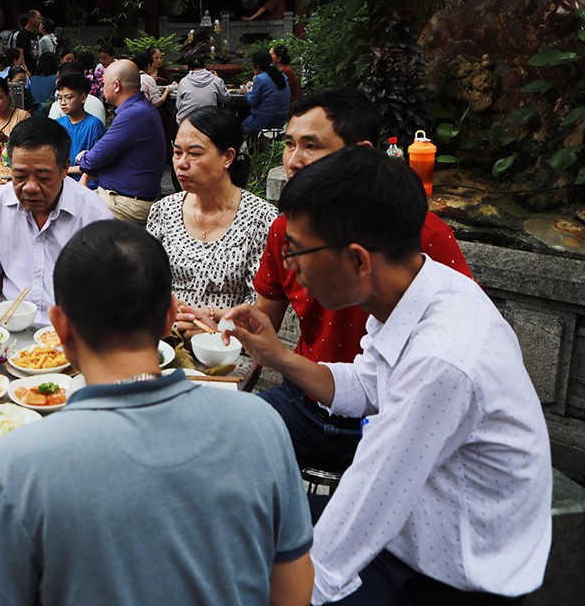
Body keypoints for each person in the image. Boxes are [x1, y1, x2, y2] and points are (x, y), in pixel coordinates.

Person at [222, 147, 551, 605]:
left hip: (448, 571)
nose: (289, 264)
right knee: (236, 519)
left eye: (296, 249)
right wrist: (277, 355)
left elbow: (368, 504)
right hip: (415, 524)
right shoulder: (420, 286)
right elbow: (367, 384)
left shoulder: (442, 360)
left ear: (358, 260)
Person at [0, 220, 314, 606]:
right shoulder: (260, 425)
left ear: (60, 326)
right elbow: (294, 589)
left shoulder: (17, 463)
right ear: (169, 316)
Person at [242, 88, 472, 470]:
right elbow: (265, 324)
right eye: (288, 144)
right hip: (306, 402)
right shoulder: (285, 229)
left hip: (387, 420)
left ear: (360, 260)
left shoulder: (422, 241)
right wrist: (221, 332)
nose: (293, 162)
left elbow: (380, 392)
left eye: (311, 146)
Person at [0, 118, 112, 324]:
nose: (30, 187)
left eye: (43, 177)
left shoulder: (94, 214)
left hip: (71, 333)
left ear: (64, 169)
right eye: (19, 176)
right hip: (10, 328)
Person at [147, 107, 277, 327]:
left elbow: (260, 306)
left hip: (232, 343)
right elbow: (148, 284)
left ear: (227, 157)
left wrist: (211, 322)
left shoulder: (261, 218)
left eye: (195, 154)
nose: (181, 163)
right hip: (169, 336)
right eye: (177, 153)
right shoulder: (163, 210)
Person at [79, 59, 166, 224]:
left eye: (104, 83)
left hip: (124, 204)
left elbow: (92, 159)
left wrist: (81, 157)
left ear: (116, 86)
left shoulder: (132, 115)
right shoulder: (141, 109)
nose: (102, 88)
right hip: (125, 197)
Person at [54, 72, 106, 184]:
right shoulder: (57, 124)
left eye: (68, 97)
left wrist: (61, 171)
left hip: (86, 184)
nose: (63, 103)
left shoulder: (94, 126)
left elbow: (97, 164)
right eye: (60, 98)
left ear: (83, 98)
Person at [242, 50, 291, 138]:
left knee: (239, 130)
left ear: (257, 66)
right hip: (281, 119)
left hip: (264, 119)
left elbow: (252, 102)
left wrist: (247, 92)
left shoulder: (260, 78)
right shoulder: (282, 76)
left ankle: (249, 151)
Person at [175, 53, 230, 123]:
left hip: (186, 122)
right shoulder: (216, 80)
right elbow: (226, 98)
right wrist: (217, 78)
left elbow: (178, 105)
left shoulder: (183, 82)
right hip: (209, 122)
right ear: (204, 66)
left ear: (188, 67)